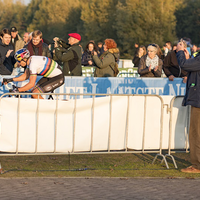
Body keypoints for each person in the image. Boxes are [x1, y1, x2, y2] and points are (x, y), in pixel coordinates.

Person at [176, 40, 200, 173]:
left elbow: (184, 65)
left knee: (195, 133)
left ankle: (196, 165)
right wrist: (189, 58)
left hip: (198, 101)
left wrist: (180, 52)